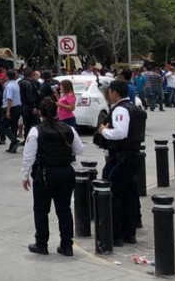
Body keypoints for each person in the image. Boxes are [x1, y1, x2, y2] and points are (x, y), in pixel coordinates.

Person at [22, 96, 85, 256]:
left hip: (45, 174)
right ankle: (66, 245)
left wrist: (25, 175)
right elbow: (79, 149)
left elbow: (28, 156)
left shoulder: (36, 131)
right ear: (56, 111)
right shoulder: (68, 129)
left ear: (40, 113)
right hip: (66, 172)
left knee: (41, 210)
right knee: (64, 209)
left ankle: (41, 243)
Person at [96, 80, 142, 246]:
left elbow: (120, 133)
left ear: (114, 92)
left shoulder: (120, 109)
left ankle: (116, 234)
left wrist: (103, 131)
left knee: (112, 193)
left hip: (121, 158)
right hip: (132, 156)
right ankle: (130, 232)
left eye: (109, 92)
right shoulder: (134, 107)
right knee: (129, 193)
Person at [0, 70, 22, 152]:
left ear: (7, 77)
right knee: (14, 126)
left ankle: (14, 140)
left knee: (4, 126)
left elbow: (9, 99)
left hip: (10, 107)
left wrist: (8, 111)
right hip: (17, 107)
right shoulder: (16, 85)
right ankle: (12, 147)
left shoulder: (9, 86)